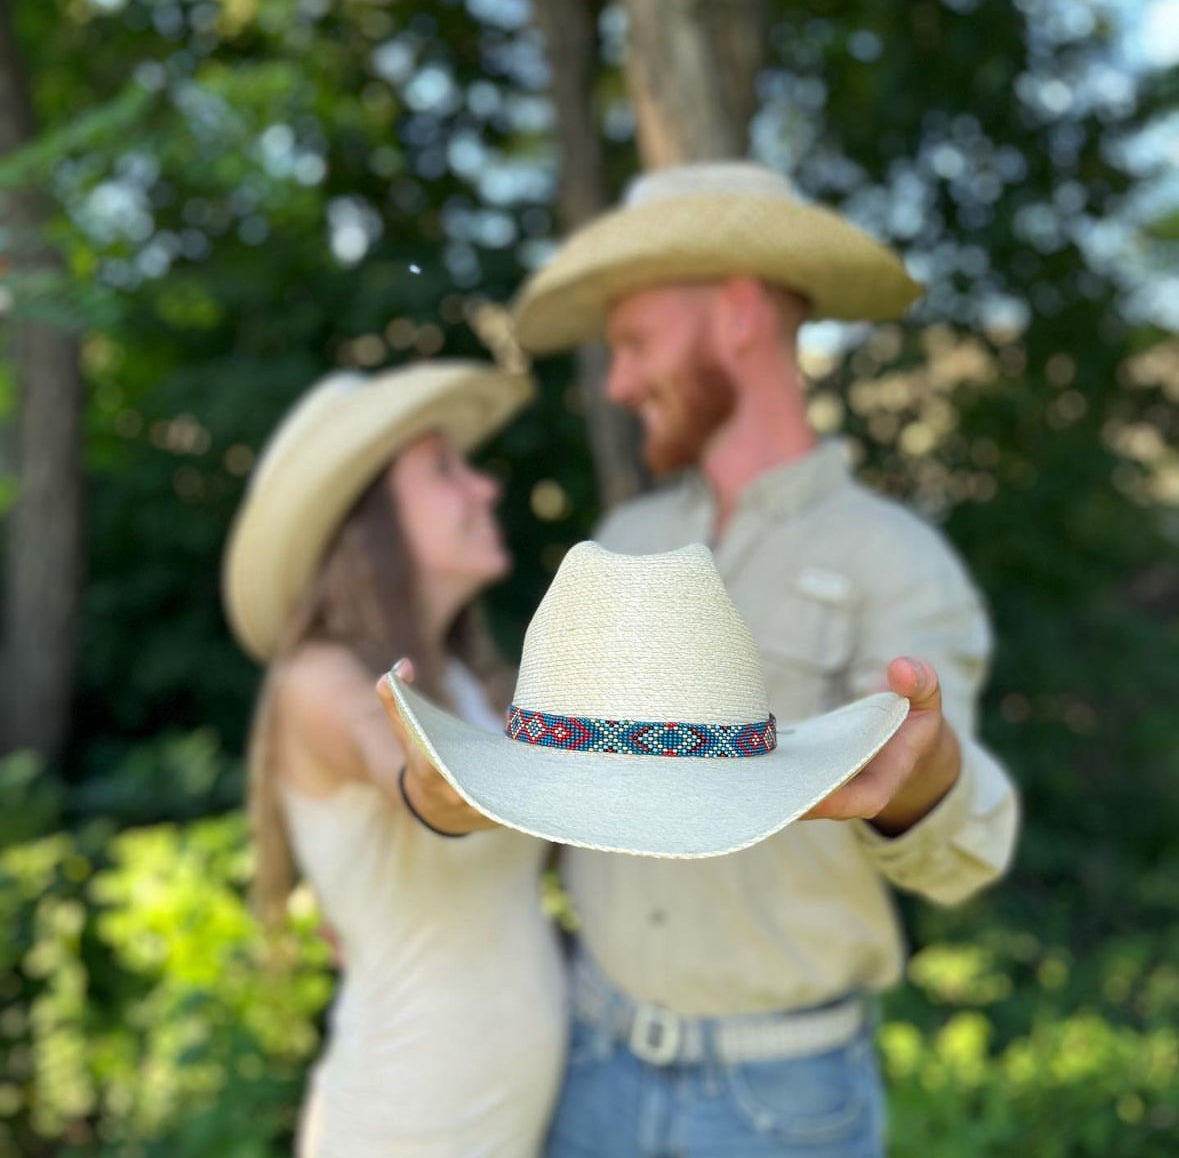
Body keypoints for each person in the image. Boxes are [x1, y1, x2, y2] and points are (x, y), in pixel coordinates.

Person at [508, 161, 1021, 1157]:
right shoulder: (627, 534)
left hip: (776, 1104)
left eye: (635, 342)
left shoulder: (894, 560)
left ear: (740, 314)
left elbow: (960, 848)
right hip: (588, 1059)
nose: (616, 382)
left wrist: (920, 781)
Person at [221, 360, 567, 1158]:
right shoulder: (319, 680)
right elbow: (413, 771)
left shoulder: (473, 689)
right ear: (368, 518)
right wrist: (438, 791)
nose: (484, 490)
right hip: (401, 1128)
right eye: (445, 472)